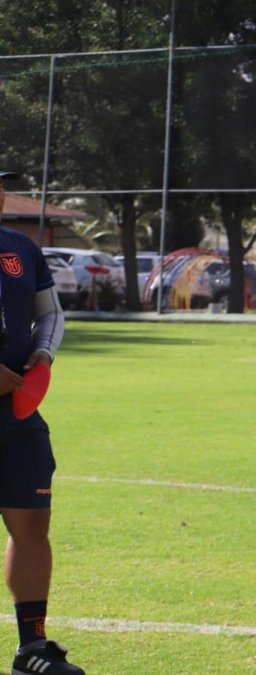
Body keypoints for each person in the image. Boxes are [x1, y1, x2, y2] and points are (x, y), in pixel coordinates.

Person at [0, 172, 82, 675]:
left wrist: (43, 356)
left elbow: (48, 313)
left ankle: (32, 649)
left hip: (16, 414)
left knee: (31, 523)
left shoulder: (20, 248)